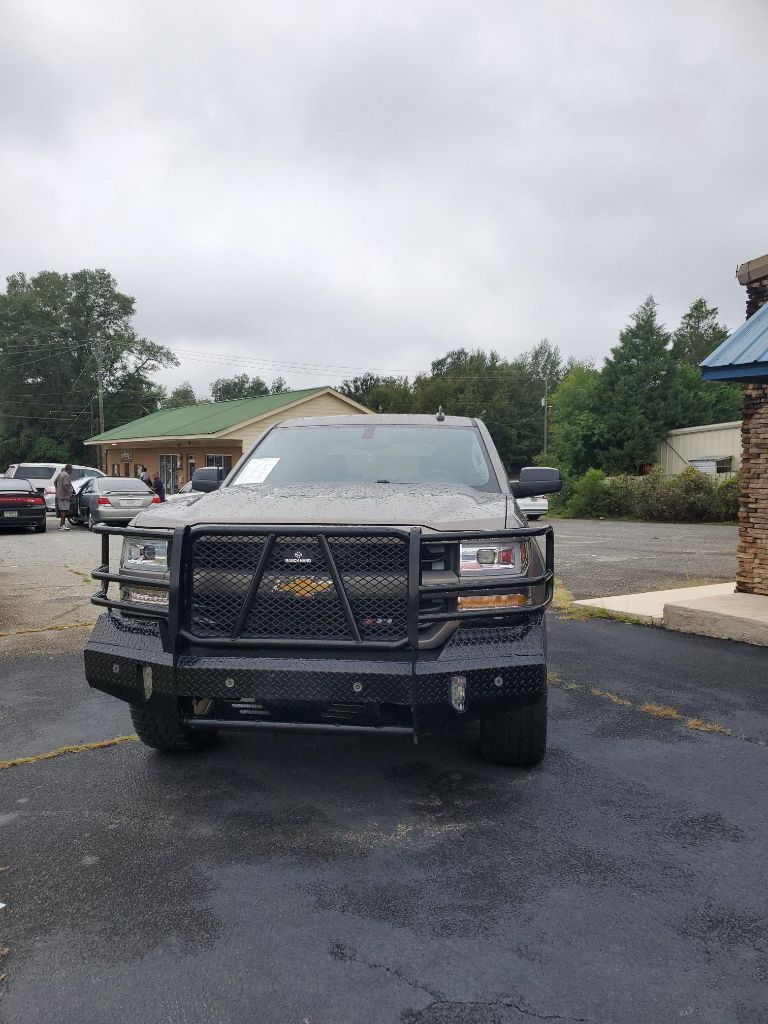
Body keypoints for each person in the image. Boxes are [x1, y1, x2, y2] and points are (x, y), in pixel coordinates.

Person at [56, 464, 74, 531]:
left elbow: (55, 481)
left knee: (62, 510)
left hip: (60, 494)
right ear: (69, 470)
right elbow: (65, 485)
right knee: (64, 510)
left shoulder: (61, 474)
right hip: (64, 496)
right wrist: (68, 494)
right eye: (71, 470)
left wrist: (57, 489)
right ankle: (62, 525)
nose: (71, 471)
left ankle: (61, 524)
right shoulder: (66, 475)